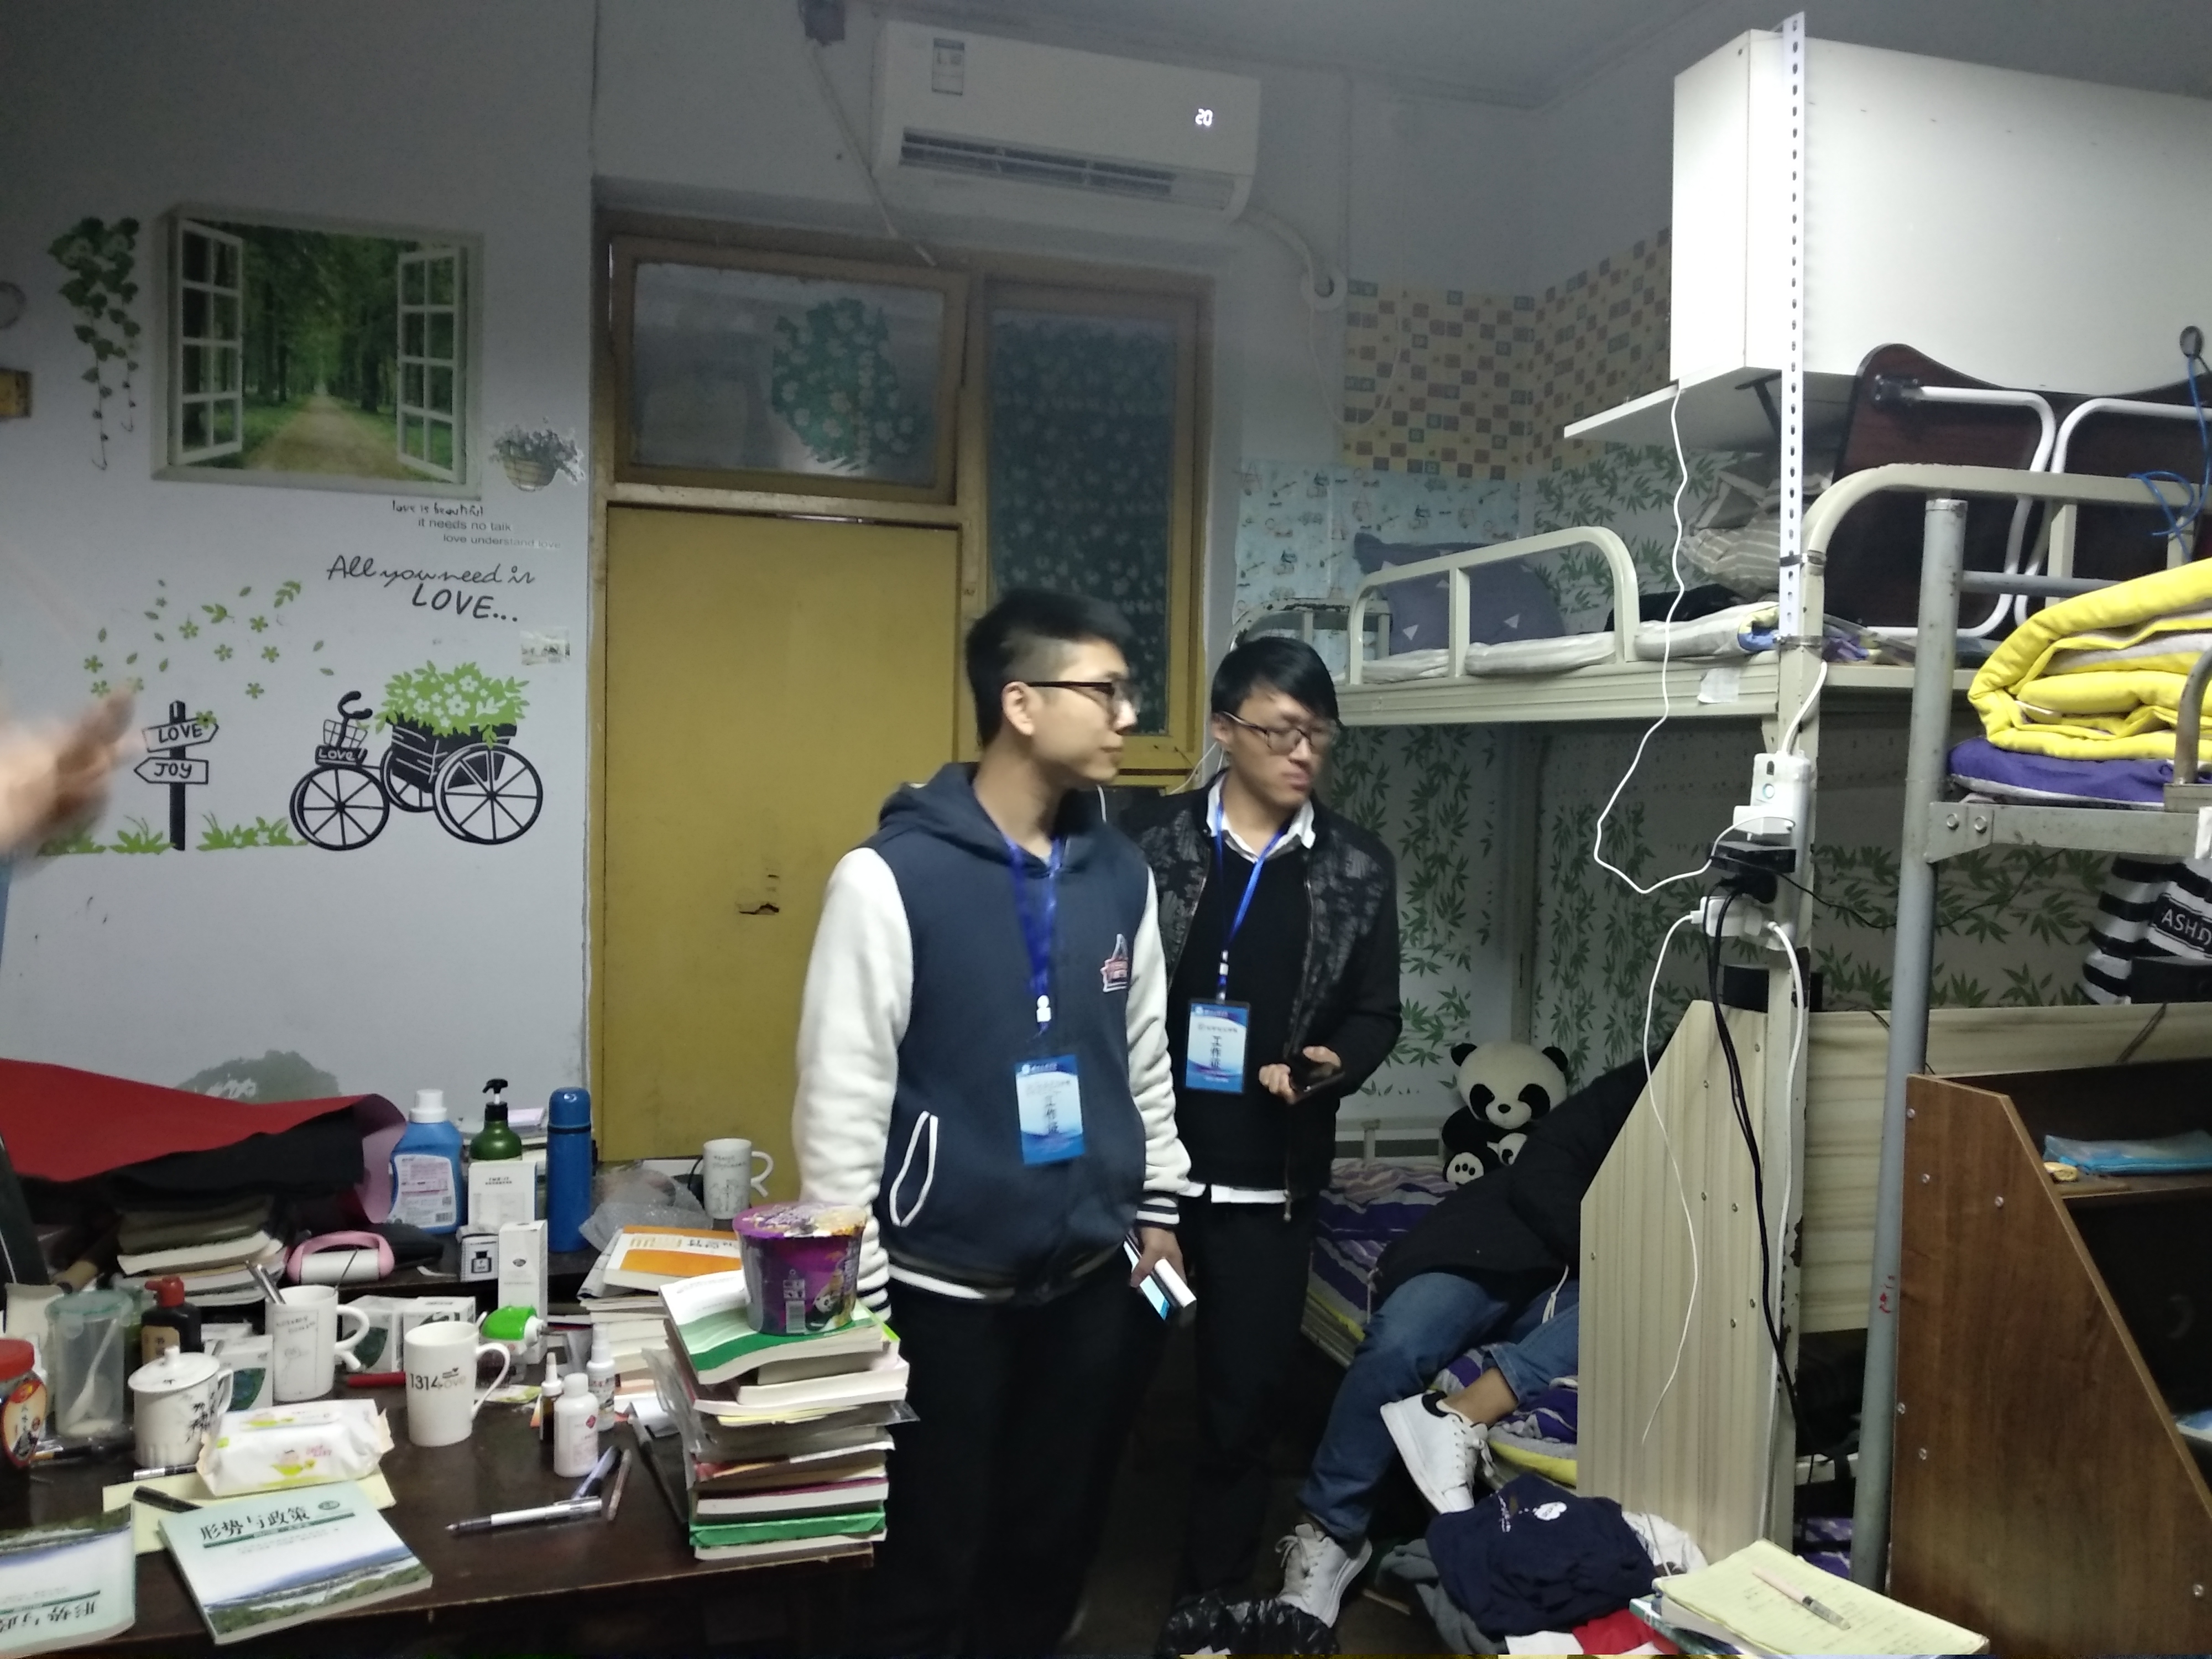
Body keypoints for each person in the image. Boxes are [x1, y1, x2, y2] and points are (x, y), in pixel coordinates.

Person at [791, 588, 1190, 1656]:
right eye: (1104, 691)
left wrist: (1158, 1209)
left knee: (1051, 1542)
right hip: (939, 1292)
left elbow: (1143, 1054)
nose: (1126, 715)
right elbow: (841, 1097)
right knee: (932, 1551)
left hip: (1091, 1281)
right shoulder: (889, 879)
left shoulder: (1123, 874)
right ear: (1021, 703)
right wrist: (857, 1289)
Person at [1119, 635, 1402, 1600]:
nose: (1303, 753)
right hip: (1150, 1200)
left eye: (1319, 735)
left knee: (1240, 1411)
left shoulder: (1357, 868)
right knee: (1110, 1385)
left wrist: (1334, 1065)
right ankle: (1057, 1584)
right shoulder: (1150, 848)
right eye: (1282, 731)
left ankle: (1207, 1612)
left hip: (1265, 1205)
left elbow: (1376, 1014)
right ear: (1225, 730)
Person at [1276, 1060, 1644, 1626]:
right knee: (1399, 1344)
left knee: (1632, 1308)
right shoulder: (1640, 1084)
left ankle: (1460, 1413)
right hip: (1497, 1240)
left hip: (1591, 1281)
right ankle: (1332, 1531)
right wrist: (1608, 1248)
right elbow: (1542, 1170)